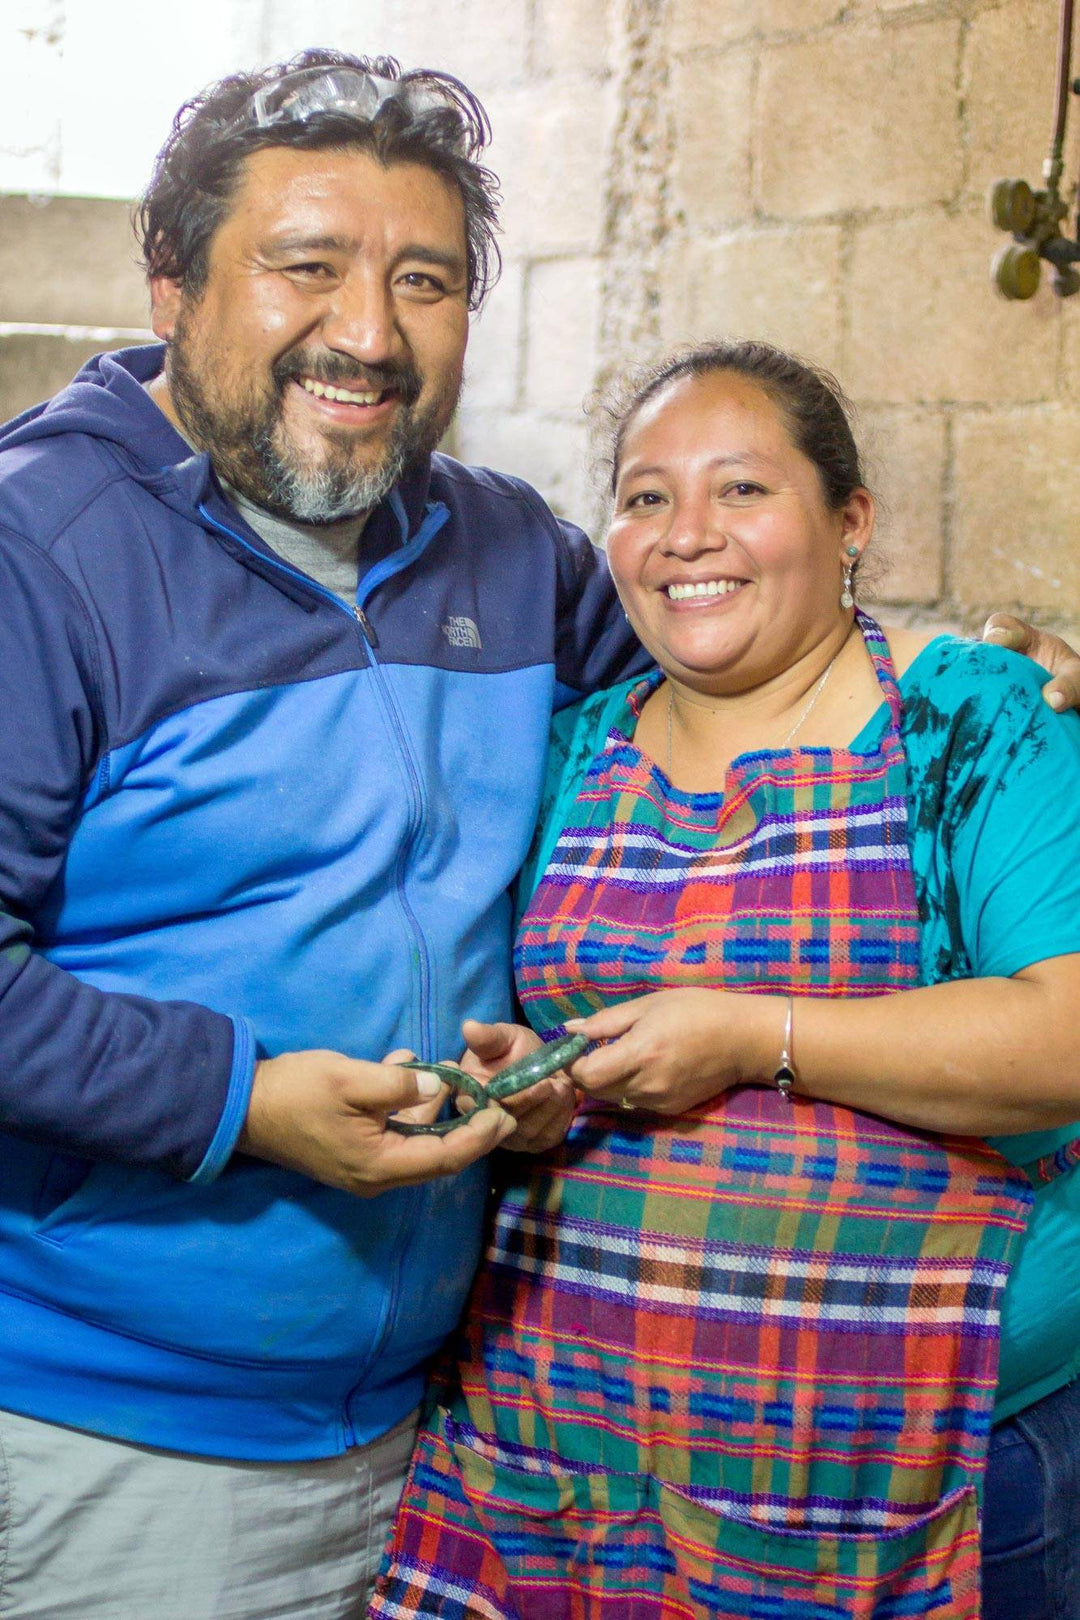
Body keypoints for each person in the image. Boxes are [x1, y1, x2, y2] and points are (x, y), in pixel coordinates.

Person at [0, 49, 647, 1620]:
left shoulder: (508, 545)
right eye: (305, 268)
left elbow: (698, 743)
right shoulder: (40, 553)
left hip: (448, 1422)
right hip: (114, 1445)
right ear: (170, 281)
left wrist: (972, 699)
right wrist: (243, 1100)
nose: (368, 333)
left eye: (422, 280)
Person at [371, 341, 1080, 1620]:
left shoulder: (972, 718)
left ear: (849, 520)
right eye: (646, 498)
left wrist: (753, 1037)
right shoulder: (572, 751)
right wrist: (525, 1095)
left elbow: (1063, 1038)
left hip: (918, 1469)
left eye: (742, 490)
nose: (688, 535)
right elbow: (529, 1034)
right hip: (561, 1457)